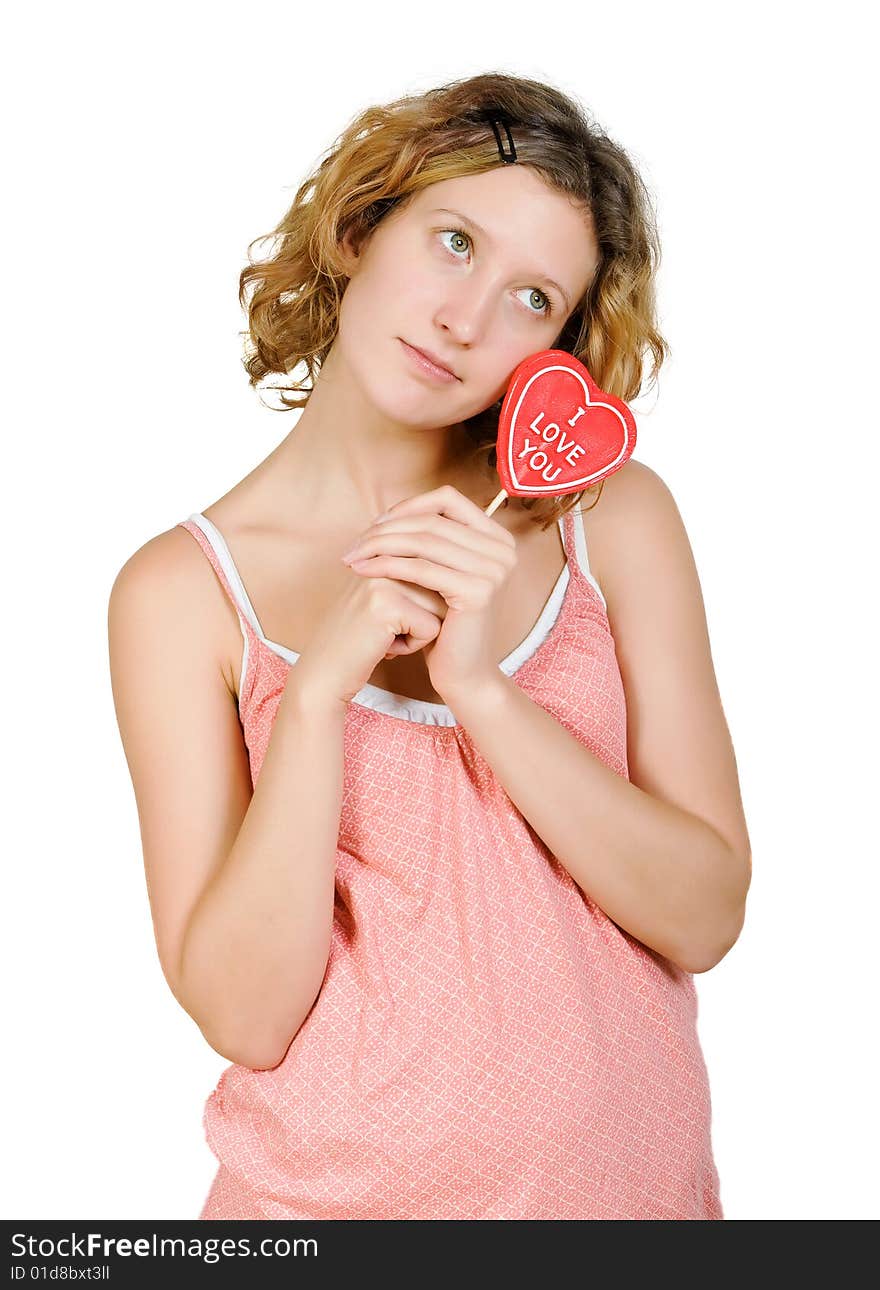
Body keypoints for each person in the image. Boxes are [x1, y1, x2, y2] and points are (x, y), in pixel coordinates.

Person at [107, 71, 751, 1221]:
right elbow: (246, 1015)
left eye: (531, 297)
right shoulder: (182, 594)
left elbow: (705, 913)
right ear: (359, 228)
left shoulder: (611, 519)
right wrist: (313, 702)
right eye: (453, 241)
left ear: (561, 343)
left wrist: (484, 692)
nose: (466, 318)